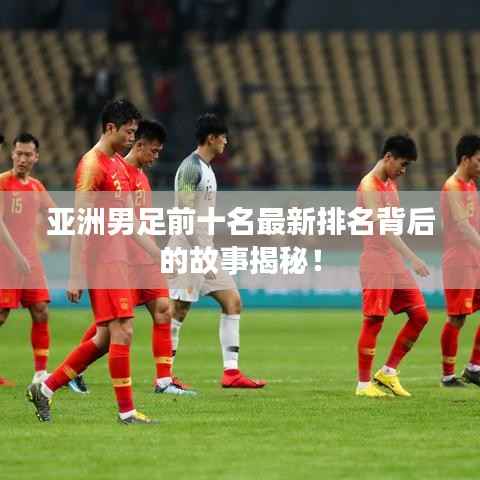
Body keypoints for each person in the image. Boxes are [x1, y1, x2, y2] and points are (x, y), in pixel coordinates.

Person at [27, 99, 162, 424]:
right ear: (110, 128)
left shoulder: (118, 166)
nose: (132, 137)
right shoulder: (91, 166)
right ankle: (127, 412)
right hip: (103, 262)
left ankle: (44, 388)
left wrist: (158, 254)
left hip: (119, 260)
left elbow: (129, 221)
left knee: (103, 340)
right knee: (124, 331)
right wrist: (75, 275)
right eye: (128, 132)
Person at [72, 119, 195, 396]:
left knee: (163, 310)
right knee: (109, 325)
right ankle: (73, 371)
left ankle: (164, 381)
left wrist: (157, 254)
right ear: (139, 146)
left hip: (146, 258)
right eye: (154, 151)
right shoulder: (116, 171)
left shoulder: (141, 176)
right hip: (123, 260)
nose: (156, 157)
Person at [169, 113, 267, 389]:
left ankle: (231, 373)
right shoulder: (190, 168)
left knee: (232, 301)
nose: (226, 141)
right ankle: (164, 376)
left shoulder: (207, 169)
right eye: (223, 137)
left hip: (204, 250)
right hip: (187, 250)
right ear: (211, 138)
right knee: (178, 309)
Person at [356, 135, 430, 397]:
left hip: (393, 260)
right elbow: (382, 227)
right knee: (375, 320)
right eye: (403, 163)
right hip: (376, 259)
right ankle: (363, 385)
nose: (404, 170)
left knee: (420, 315)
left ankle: (388, 372)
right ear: (388, 157)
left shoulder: (391, 185)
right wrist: (412, 257)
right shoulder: (369, 185)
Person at [0, 133, 54, 387]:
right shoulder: (3, 183)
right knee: (1, 315)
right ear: (12, 154)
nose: (22, 159)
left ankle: (41, 373)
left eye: (27, 154)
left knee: (41, 311)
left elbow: (55, 214)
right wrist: (16, 255)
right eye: (19, 153)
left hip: (30, 259)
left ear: (36, 157)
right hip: (6, 259)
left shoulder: (36, 187)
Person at [440, 135, 480, 387]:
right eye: (479, 160)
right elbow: (463, 227)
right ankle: (448, 376)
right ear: (465, 159)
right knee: (457, 318)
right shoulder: (452, 186)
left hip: (474, 258)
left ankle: (474, 367)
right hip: (459, 261)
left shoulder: (471, 186)